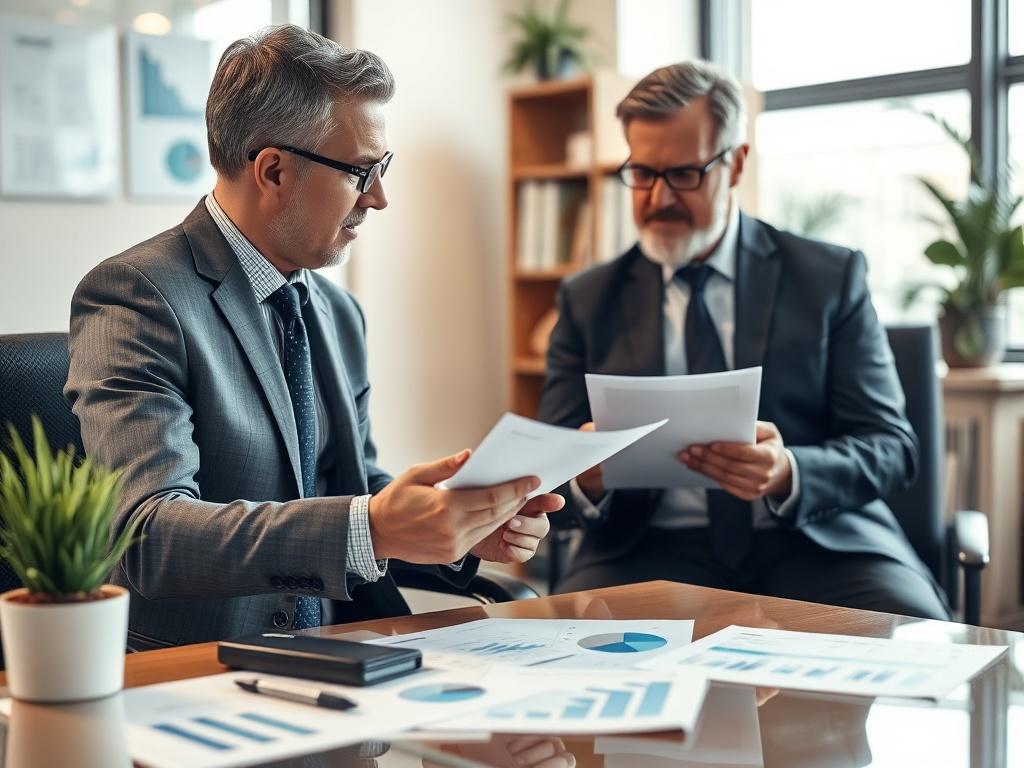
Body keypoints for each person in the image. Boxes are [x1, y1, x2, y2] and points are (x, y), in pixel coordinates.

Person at [65, 25, 562, 650]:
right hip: (202, 676)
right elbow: (148, 535)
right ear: (273, 170)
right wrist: (374, 527)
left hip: (346, 664)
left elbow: (346, 493)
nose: (379, 198)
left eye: (382, 168)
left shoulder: (336, 311)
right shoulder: (136, 295)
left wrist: (452, 528)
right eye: (361, 172)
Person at [538, 60, 948, 619]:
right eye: (642, 173)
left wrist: (788, 472)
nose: (658, 198)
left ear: (735, 164)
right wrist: (584, 470)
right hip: (646, 549)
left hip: (818, 542)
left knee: (916, 635)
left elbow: (892, 448)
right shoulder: (587, 299)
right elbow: (549, 477)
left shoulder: (828, 279)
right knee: (569, 654)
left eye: (683, 173)